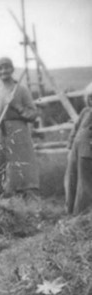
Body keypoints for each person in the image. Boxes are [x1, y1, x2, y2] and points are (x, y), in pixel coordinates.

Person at [0, 56, 40, 200]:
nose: (4, 71)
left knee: (20, 170)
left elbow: (33, 114)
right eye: (0, 68)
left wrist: (17, 106)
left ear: (12, 69)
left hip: (18, 135)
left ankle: (24, 204)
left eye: (7, 67)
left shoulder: (21, 90)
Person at [64, 82, 92, 215]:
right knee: (71, 179)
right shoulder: (85, 112)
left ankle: (82, 214)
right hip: (76, 151)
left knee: (84, 183)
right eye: (91, 97)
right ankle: (70, 211)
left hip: (88, 153)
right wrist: (69, 147)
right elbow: (75, 129)